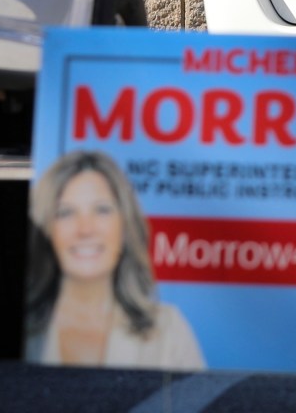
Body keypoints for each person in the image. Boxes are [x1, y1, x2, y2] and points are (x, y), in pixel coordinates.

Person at [25, 149, 207, 370]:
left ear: (124, 227)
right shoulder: (24, 328)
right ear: (46, 229)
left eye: (101, 210)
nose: (85, 229)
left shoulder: (168, 330)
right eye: (66, 212)